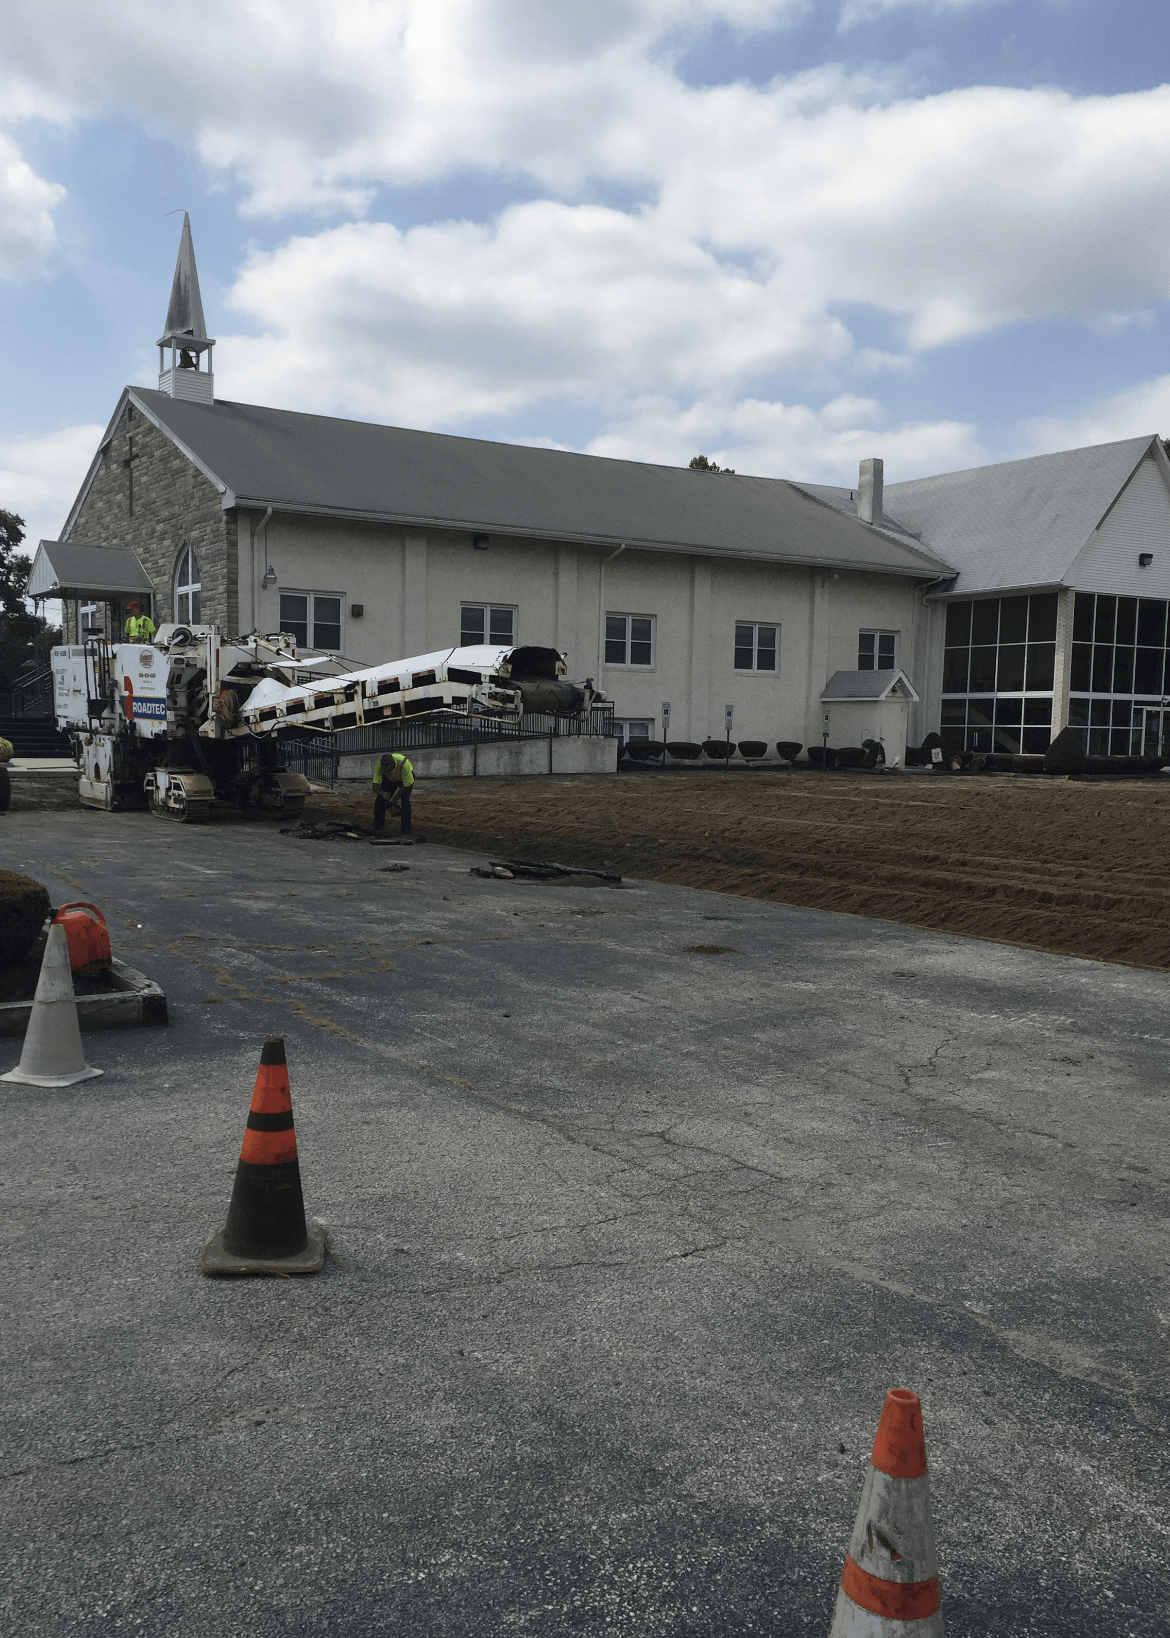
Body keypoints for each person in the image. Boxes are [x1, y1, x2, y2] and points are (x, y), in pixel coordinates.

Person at [372, 750, 414, 836]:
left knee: (405, 802)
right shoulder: (379, 765)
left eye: (388, 767)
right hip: (389, 780)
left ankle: (406, 831)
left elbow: (406, 786)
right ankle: (378, 828)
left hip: (405, 780)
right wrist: (383, 793)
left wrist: (394, 800)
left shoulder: (404, 765)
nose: (385, 769)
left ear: (393, 763)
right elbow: (375, 785)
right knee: (379, 801)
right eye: (384, 768)